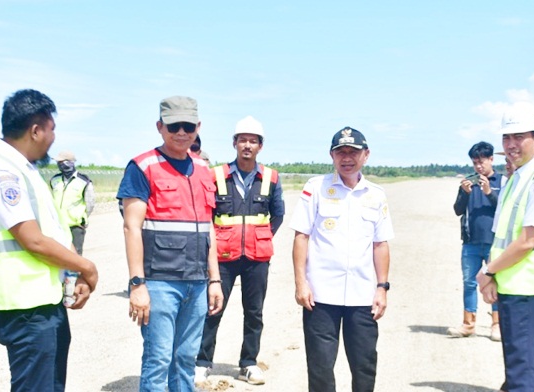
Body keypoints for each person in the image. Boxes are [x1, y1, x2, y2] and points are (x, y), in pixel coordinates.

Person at [0, 89, 98, 391]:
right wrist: (87, 267)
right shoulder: (1, 172)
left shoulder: (25, 171)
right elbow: (34, 241)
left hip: (44, 303)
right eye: (52, 129)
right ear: (35, 130)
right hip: (24, 308)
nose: (54, 138)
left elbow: (54, 233)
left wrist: (72, 274)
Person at [117, 95, 224, 391]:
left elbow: (208, 229)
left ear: (197, 126)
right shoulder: (142, 167)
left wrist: (214, 280)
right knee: (158, 360)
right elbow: (131, 227)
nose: (181, 132)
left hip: (198, 282)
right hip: (160, 283)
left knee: (186, 359)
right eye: (173, 125)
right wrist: (137, 284)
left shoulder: (203, 170)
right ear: (159, 127)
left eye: (187, 125)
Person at [290, 126, 394, 392]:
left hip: (362, 295)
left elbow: (380, 244)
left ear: (366, 155)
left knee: (364, 364)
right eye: (341, 152)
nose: (347, 158)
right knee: (320, 366)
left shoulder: (376, 194)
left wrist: (382, 288)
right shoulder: (316, 188)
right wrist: (301, 283)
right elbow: (301, 236)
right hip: (321, 296)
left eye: (353, 152)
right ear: (332, 155)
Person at [475, 102, 534, 392]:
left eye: (519, 137)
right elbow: (502, 235)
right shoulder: (518, 177)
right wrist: (493, 276)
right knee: (526, 369)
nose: (511, 144)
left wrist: (488, 271)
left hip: (529, 289)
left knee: (524, 375)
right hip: (514, 286)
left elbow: (527, 241)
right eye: (507, 138)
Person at [196, 115, 285, 385]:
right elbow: (208, 215)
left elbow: (277, 215)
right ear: (234, 143)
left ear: (260, 146)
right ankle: (201, 362)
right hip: (222, 257)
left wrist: (261, 238)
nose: (247, 145)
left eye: (253, 141)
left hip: (256, 258)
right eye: (243, 140)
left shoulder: (271, 177)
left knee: (254, 312)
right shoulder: (216, 175)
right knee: (213, 309)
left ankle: (248, 363)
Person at [450, 141, 502, 341]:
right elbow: (457, 210)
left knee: (495, 282)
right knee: (469, 283)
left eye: (482, 162)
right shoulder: (468, 183)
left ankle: (496, 324)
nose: (479, 167)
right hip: (470, 242)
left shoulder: (502, 181)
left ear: (491, 159)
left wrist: (489, 192)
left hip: (494, 242)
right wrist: (465, 193)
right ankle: (468, 324)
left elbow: (504, 209)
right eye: (475, 163)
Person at [49, 151, 95, 256]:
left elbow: (90, 203)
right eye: (58, 162)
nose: (59, 165)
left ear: (70, 163)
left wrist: (80, 217)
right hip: (58, 225)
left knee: (76, 254)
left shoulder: (83, 181)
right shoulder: (54, 180)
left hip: (75, 226)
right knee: (59, 254)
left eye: (62, 162)